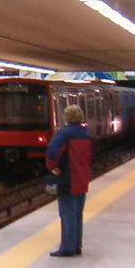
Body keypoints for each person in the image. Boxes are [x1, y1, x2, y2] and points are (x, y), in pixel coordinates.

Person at [45, 104, 92, 257]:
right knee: (77, 214)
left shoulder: (64, 134)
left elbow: (52, 152)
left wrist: (53, 168)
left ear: (67, 117)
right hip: (82, 179)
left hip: (68, 179)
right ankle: (76, 245)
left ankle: (67, 248)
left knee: (67, 214)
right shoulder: (85, 134)